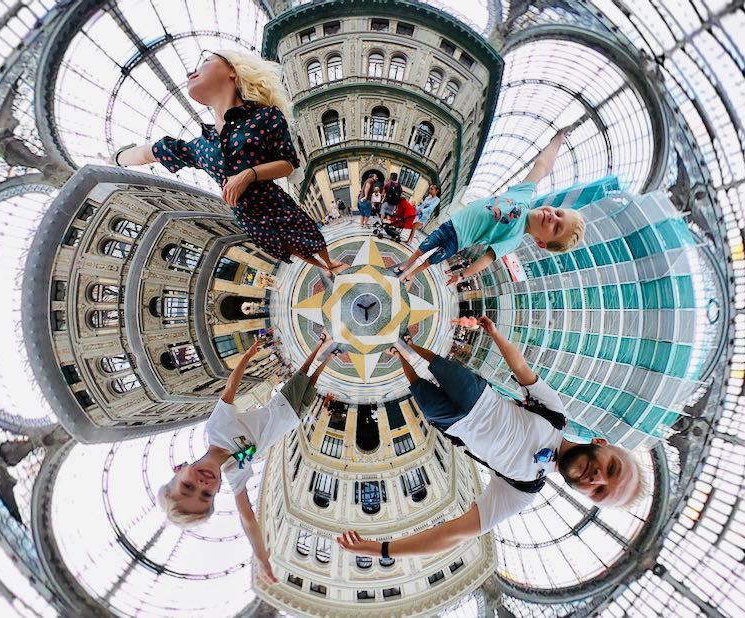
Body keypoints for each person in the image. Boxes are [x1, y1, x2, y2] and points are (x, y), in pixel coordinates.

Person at [335, 319, 645, 560]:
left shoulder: (523, 490)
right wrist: (495, 334)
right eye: (612, 469)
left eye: (599, 491)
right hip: (478, 395)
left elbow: (455, 534)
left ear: (588, 497)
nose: (598, 477)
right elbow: (521, 368)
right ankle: (408, 345)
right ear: (601, 443)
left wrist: (381, 550)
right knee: (437, 364)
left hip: (453, 424)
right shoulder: (556, 416)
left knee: (418, 386)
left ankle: (399, 355)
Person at [112, 49, 347, 278]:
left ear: (232, 70)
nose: (190, 72)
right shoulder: (201, 146)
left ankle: (328, 261)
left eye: (205, 60)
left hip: (274, 205)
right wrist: (120, 158)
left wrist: (248, 175)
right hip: (250, 219)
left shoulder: (266, 116)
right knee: (290, 247)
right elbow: (152, 152)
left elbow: (287, 164)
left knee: (309, 235)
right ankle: (320, 265)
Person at [157, 333, 338, 583]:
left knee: (303, 373)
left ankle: (321, 345)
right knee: (312, 384)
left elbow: (230, 388)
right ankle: (329, 358)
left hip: (281, 405)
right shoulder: (235, 473)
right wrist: (261, 558)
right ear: (216, 492)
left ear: (179, 470)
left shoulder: (215, 429)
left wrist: (248, 355)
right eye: (206, 495)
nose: (202, 484)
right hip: (293, 419)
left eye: (188, 487)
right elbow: (248, 518)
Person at [392, 128, 585, 289]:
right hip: (452, 224)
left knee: (430, 260)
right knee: (422, 248)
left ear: (541, 243)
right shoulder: (524, 194)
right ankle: (406, 265)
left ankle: (411, 274)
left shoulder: (514, 239)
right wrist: (558, 138)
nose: (553, 217)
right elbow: (542, 166)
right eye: (558, 213)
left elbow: (487, 258)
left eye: (557, 228)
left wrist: (462, 275)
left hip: (458, 242)